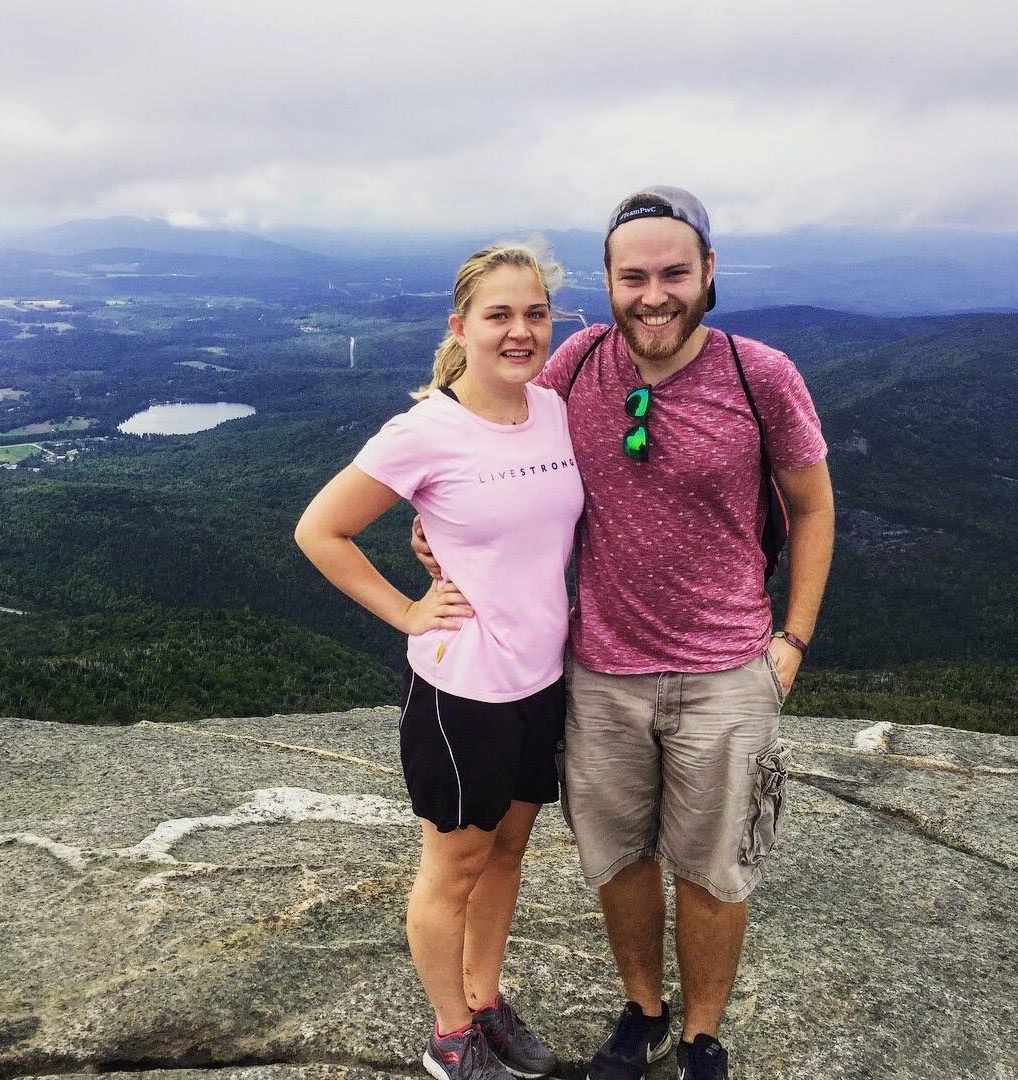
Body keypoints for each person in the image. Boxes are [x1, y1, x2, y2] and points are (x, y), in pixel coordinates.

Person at [413, 188, 835, 1080]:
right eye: (632, 276)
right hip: (600, 670)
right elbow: (487, 424)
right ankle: (644, 1012)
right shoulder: (579, 363)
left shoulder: (761, 375)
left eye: (674, 272)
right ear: (606, 285)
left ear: (708, 273)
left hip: (728, 669)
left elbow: (812, 506)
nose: (654, 293)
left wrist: (792, 641)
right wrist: (437, 527)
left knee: (715, 871)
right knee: (620, 860)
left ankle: (703, 1034)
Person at [295, 243, 583, 1080]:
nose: (520, 331)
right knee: (454, 863)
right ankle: (450, 1034)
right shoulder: (425, 430)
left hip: (542, 679)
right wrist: (408, 611)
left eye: (535, 313)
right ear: (462, 327)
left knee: (509, 850)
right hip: (465, 689)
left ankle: (486, 1002)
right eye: (499, 315)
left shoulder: (555, 410)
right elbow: (320, 530)